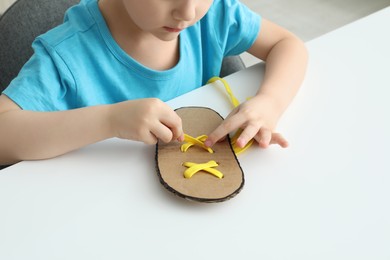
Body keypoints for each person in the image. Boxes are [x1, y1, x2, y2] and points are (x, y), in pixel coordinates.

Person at [0, 0, 308, 166]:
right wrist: (110, 120)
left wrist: (271, 101)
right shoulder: (69, 54)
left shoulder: (214, 13)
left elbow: (287, 44)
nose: (188, 12)